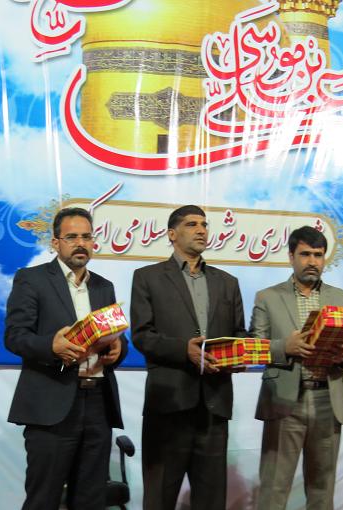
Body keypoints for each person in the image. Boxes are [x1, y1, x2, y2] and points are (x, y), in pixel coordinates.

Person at [4, 207, 126, 510]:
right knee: (43, 499)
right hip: (51, 404)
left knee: (91, 500)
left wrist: (118, 349)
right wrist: (52, 346)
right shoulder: (32, 279)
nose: (80, 243)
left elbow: (115, 336)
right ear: (56, 243)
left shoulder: (104, 286)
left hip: (98, 404)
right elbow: (15, 337)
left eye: (86, 236)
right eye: (71, 237)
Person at [130, 205, 247, 510]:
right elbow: (142, 336)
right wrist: (185, 350)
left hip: (214, 405)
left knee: (211, 500)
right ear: (172, 234)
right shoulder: (147, 278)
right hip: (168, 405)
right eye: (192, 224)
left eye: (204, 225)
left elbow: (239, 334)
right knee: (159, 498)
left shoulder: (227, 282)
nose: (201, 230)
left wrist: (239, 355)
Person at [250, 225, 343, 510]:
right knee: (274, 488)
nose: (312, 261)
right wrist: (284, 347)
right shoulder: (268, 297)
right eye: (305, 254)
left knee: (322, 491)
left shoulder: (342, 298)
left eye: (318, 254)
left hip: (328, 400)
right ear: (291, 257)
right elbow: (253, 347)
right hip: (285, 402)